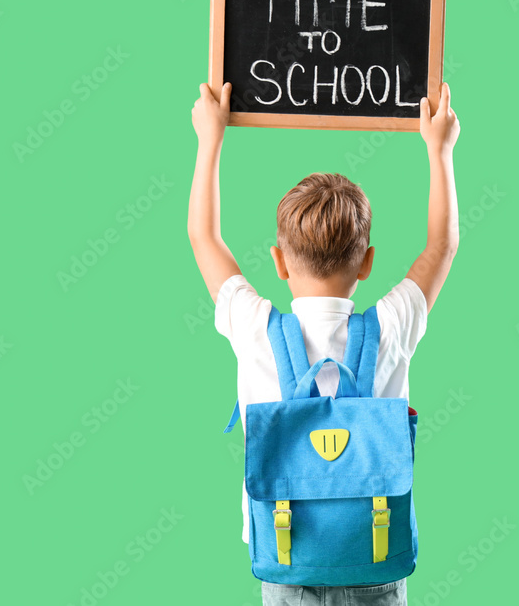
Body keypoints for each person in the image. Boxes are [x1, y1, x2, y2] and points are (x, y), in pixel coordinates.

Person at [188, 81, 461, 606]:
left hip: (288, 562)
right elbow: (441, 246)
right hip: (374, 557)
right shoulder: (391, 327)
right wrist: (439, 150)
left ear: (279, 260)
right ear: (367, 261)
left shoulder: (254, 328)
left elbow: (204, 238)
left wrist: (210, 137)